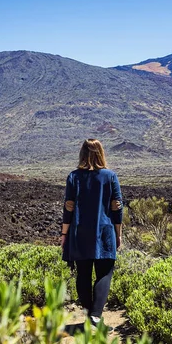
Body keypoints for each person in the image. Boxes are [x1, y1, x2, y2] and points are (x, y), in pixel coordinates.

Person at [61, 139, 123, 328]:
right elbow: (117, 207)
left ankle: (90, 316)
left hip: (79, 232)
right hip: (105, 231)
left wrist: (64, 234)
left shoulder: (73, 177)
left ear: (82, 154)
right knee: (104, 272)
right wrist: (118, 233)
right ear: (101, 153)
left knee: (83, 274)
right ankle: (96, 317)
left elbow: (68, 208)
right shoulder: (110, 176)